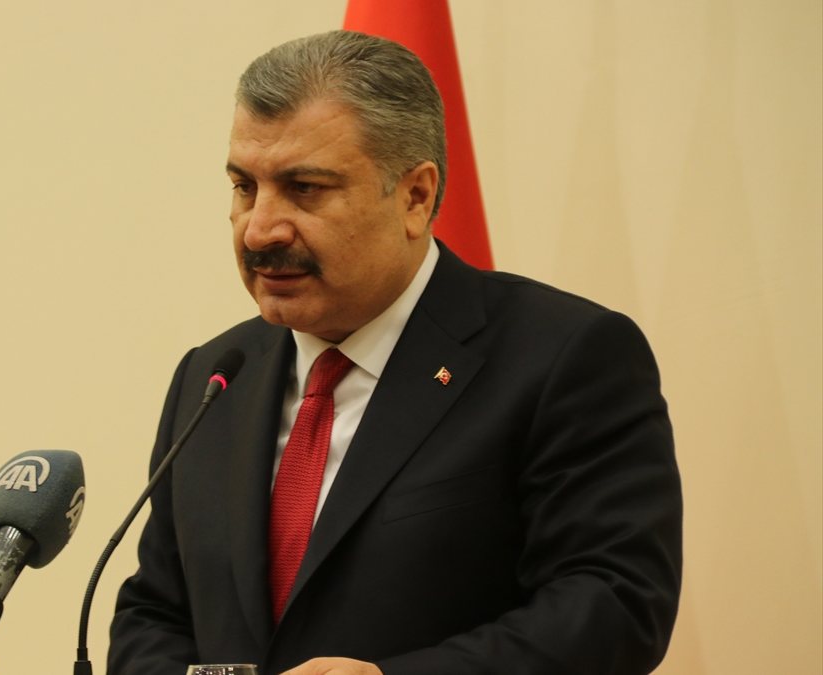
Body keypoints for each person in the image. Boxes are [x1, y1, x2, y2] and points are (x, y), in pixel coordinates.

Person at [108, 30, 681, 675]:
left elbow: (615, 604)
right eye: (245, 187)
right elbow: (155, 612)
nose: (260, 229)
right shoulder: (213, 377)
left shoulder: (563, 357)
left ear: (415, 196)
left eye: (305, 188)